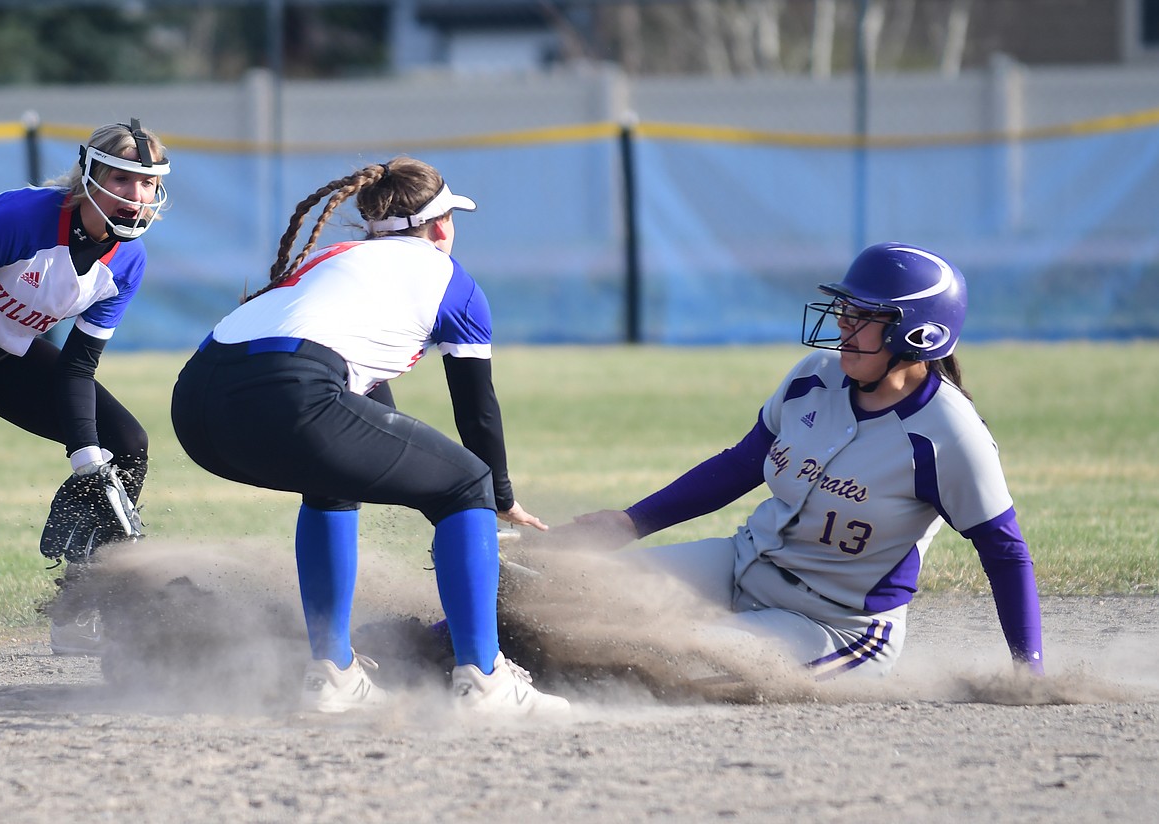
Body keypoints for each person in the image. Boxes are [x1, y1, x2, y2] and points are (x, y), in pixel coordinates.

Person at [170, 156, 570, 716]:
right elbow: (476, 412)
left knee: (334, 480)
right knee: (466, 483)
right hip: (289, 394)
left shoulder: (333, 259)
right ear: (439, 226)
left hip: (194, 407)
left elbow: (363, 413)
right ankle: (486, 684)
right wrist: (497, 497)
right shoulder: (450, 281)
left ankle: (331, 675)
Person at [561, 242, 1043, 680]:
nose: (843, 324)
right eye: (846, 309)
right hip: (739, 564)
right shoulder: (815, 377)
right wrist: (628, 522)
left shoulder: (949, 435)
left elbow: (1004, 552)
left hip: (831, 623)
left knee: (653, 662)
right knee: (577, 597)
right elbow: (742, 464)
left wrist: (1030, 673)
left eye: (864, 315)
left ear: (916, 335)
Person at [0, 118, 171, 655]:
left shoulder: (128, 262)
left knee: (125, 445)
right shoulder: (20, 218)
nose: (135, 196)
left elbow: (76, 368)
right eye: (121, 179)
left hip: (5, 359)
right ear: (88, 174)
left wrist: (86, 455)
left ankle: (78, 608)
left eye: (146, 184)